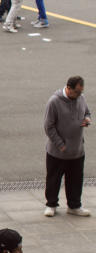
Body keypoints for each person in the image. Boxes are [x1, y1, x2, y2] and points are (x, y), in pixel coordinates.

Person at [43, 75, 90, 216]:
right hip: (58, 151)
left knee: (75, 179)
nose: (79, 95)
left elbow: (87, 112)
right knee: (53, 179)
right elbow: (48, 126)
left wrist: (87, 119)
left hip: (77, 150)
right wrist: (60, 144)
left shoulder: (81, 98)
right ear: (68, 88)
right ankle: (51, 205)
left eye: (81, 92)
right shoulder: (54, 102)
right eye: (76, 92)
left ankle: (74, 206)